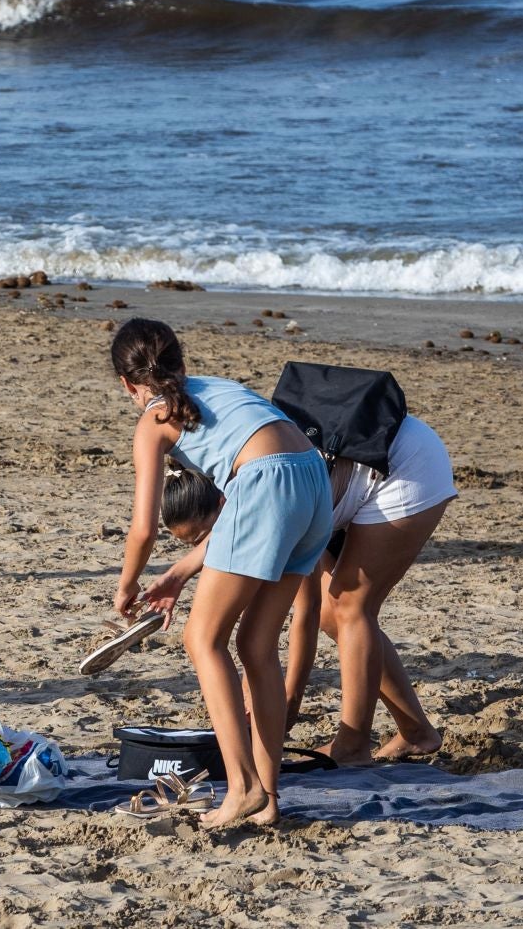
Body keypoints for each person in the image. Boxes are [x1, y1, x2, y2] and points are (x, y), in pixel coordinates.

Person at [110, 318, 330, 828]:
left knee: (201, 640)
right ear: (182, 363)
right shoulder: (222, 390)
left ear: (127, 384)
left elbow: (143, 529)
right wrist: (180, 573)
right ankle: (268, 798)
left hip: (267, 483)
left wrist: (127, 585)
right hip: (314, 479)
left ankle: (243, 787)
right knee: (256, 645)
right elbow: (248, 506)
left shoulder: (154, 420)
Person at [282, 417, 455, 763]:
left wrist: (287, 712)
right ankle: (417, 732)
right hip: (353, 477)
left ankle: (353, 744)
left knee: (349, 606)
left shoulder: (275, 509)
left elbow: (303, 611)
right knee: (336, 616)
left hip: (404, 465)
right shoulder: (255, 495)